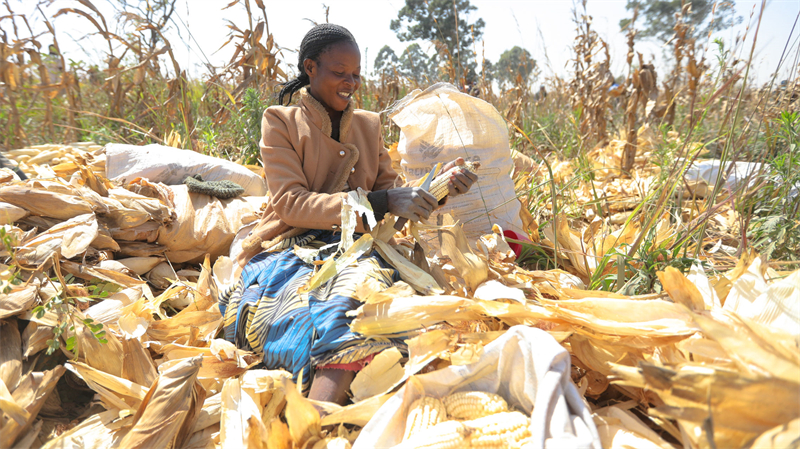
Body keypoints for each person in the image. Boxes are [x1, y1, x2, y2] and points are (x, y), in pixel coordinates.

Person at [218, 23, 477, 405]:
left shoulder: (369, 126)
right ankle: (319, 418)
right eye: (339, 73)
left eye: (356, 74)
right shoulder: (281, 122)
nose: (350, 82)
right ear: (310, 67)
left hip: (363, 246)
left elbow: (394, 204)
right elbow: (291, 203)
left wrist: (437, 191)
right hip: (295, 246)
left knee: (376, 303)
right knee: (333, 302)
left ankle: (326, 409)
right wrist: (382, 202)